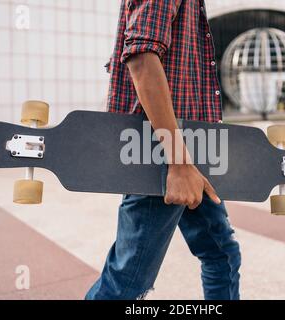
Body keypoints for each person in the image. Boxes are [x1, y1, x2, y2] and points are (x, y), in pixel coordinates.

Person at [86, 0, 241, 300]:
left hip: (192, 151)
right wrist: (179, 163)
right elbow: (142, 57)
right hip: (162, 154)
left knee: (222, 253)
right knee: (127, 280)